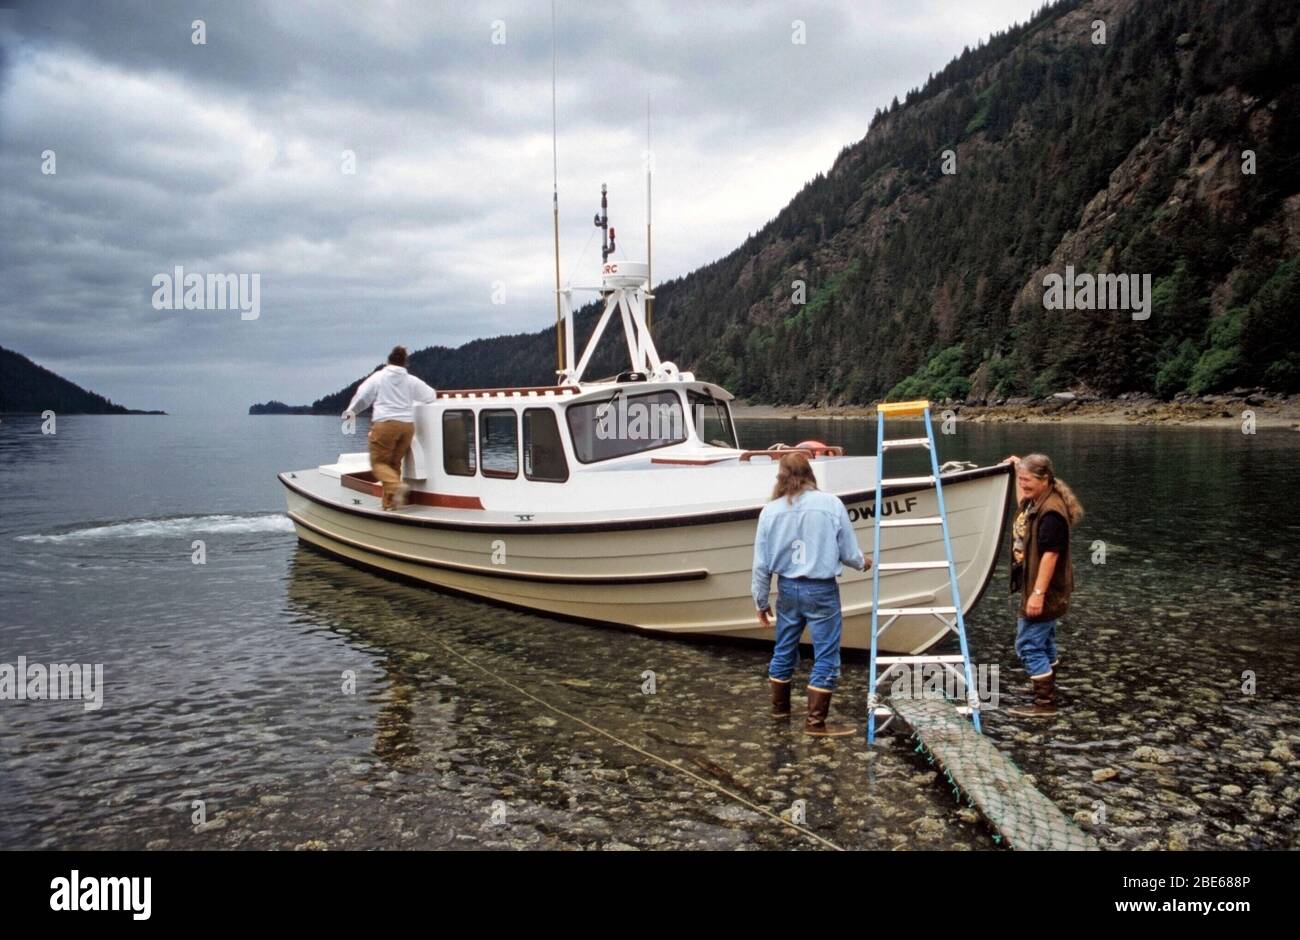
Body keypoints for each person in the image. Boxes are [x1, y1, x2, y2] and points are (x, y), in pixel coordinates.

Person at [752, 451, 870, 736]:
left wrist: (760, 601)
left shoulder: (770, 511)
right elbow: (849, 552)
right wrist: (862, 563)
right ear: (810, 474)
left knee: (783, 648)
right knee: (826, 654)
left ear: (781, 477)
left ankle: (780, 711)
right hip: (820, 590)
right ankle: (815, 724)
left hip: (787, 590)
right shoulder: (831, 504)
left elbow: (761, 563)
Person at [1000, 453, 1084, 717]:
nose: (1023, 485)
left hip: (1044, 589)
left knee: (1027, 645)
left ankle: (1044, 704)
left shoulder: (1051, 513)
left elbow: (1051, 555)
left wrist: (1037, 594)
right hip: (1040, 586)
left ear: (1044, 479)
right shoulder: (1037, 501)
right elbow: (1022, 502)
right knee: (1045, 641)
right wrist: (1016, 470)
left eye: (1027, 480)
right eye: (1021, 480)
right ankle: (1047, 686)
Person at [342, 346, 438, 510]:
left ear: (388, 361)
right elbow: (430, 395)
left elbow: (363, 397)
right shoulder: (411, 380)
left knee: (378, 464)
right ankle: (389, 504)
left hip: (385, 424)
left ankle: (396, 486)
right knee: (393, 465)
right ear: (404, 363)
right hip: (407, 427)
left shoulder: (379, 377)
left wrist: (351, 412)